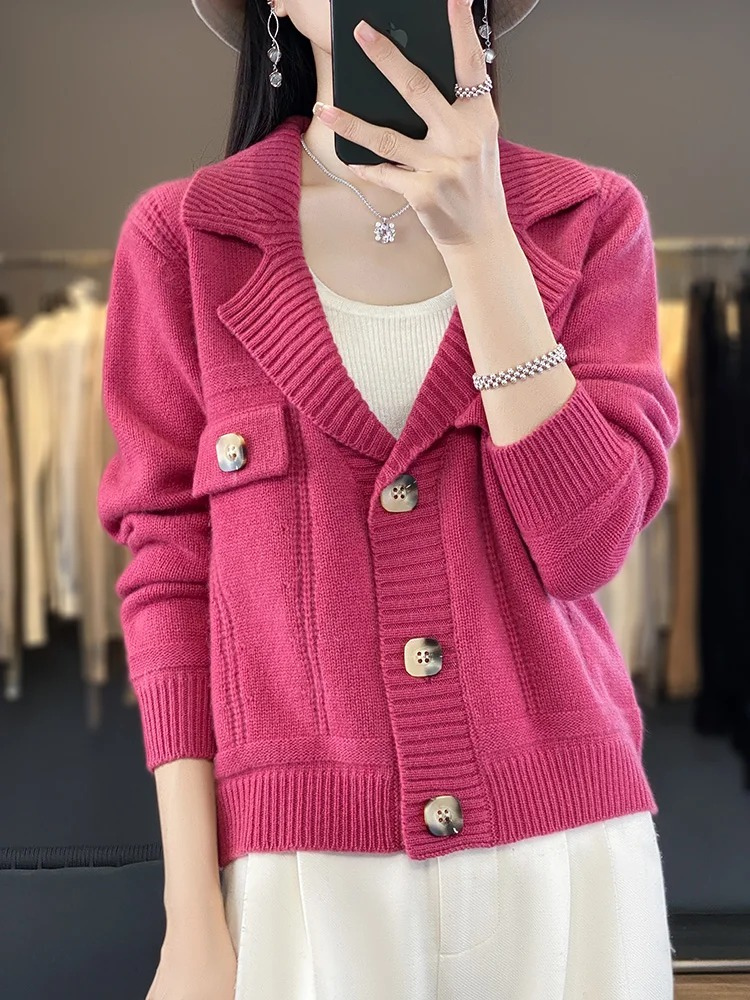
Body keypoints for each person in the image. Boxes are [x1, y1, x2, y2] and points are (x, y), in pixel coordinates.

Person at [97, 0, 680, 997]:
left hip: (563, 859)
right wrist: (190, 916)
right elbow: (171, 582)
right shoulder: (185, 238)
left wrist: (483, 241)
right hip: (305, 877)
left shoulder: (586, 218)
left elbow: (586, 547)